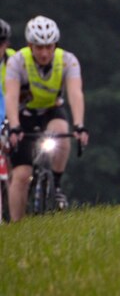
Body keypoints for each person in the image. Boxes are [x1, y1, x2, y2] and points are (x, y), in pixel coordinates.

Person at [4, 16, 89, 221]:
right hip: (23, 115)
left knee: (61, 131)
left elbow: (75, 93)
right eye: (39, 47)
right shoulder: (17, 61)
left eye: (49, 47)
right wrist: (14, 127)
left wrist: (79, 125)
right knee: (22, 174)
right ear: (30, 45)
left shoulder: (67, 60)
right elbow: (11, 96)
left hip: (51, 110)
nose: (44, 53)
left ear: (55, 45)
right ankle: (17, 224)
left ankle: (57, 182)